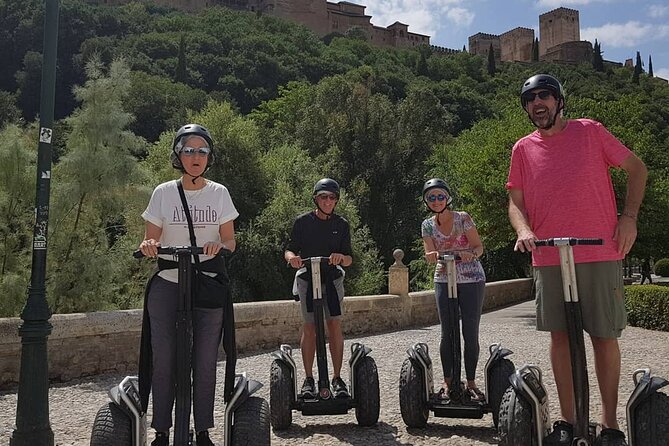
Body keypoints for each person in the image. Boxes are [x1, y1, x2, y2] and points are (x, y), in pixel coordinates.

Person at [507, 74, 648, 446]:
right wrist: (524, 230)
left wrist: (629, 218)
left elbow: (637, 169)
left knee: (603, 336)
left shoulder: (590, 132)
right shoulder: (522, 148)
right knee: (560, 337)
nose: (538, 103)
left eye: (545, 96)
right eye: (530, 99)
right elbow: (515, 202)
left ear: (558, 100)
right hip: (549, 255)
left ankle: (609, 423)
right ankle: (568, 422)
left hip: (599, 250)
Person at [138, 124, 239, 446]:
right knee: (164, 358)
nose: (195, 156)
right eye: (189, 150)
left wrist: (218, 247)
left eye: (202, 151)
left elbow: (230, 241)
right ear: (178, 155)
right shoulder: (163, 192)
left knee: (206, 360)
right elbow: (149, 237)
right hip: (168, 282)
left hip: (206, 283)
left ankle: (204, 430)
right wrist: (149, 245)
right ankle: (162, 431)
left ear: (210, 157)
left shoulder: (219, 193)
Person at [284, 178, 353, 399]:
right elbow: (289, 249)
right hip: (307, 278)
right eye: (323, 197)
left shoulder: (341, 225)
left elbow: (349, 258)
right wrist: (293, 259)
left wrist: (341, 258)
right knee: (310, 327)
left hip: (332, 280)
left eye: (332, 197)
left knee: (334, 324)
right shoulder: (303, 222)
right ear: (315, 198)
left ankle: (337, 377)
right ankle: (308, 379)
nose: (328, 201)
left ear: (336, 200)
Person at [421, 178, 486, 402]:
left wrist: (471, 254)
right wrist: (431, 255)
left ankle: (470, 382)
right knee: (447, 332)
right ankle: (448, 382)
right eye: (432, 198)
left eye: (440, 196)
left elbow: (478, 246)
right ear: (427, 201)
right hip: (443, 278)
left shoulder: (463, 218)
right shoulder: (427, 225)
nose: (437, 201)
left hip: (471, 278)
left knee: (470, 331)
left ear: (447, 197)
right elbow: (430, 253)